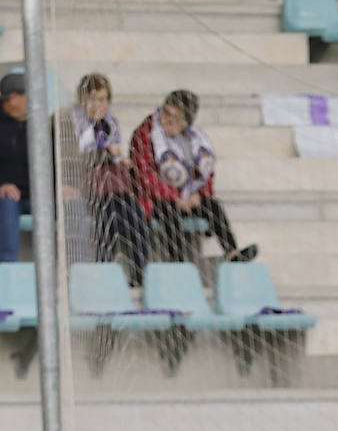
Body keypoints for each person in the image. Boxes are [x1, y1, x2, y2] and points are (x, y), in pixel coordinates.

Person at [130, 89, 257, 265]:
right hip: (155, 198)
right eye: (166, 113)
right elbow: (144, 175)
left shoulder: (194, 138)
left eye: (176, 118)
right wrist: (176, 197)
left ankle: (232, 253)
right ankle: (178, 262)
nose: (168, 120)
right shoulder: (145, 133)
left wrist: (199, 194)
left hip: (187, 196)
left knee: (213, 206)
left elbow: (206, 171)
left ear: (186, 123)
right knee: (169, 210)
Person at [67, 72, 149, 286]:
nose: (98, 104)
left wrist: (121, 159)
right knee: (109, 215)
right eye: (92, 98)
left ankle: (140, 273)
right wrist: (106, 152)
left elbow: (115, 155)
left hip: (111, 186)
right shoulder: (68, 121)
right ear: (82, 99)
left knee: (135, 213)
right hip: (82, 187)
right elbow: (72, 160)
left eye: (103, 99)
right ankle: (102, 272)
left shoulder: (110, 123)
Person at [0, 71, 29, 263]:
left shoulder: (41, 124)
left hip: (39, 197)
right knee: (7, 201)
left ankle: (76, 271)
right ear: (14, 98)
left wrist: (63, 187)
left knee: (72, 206)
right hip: (8, 196)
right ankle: (8, 276)